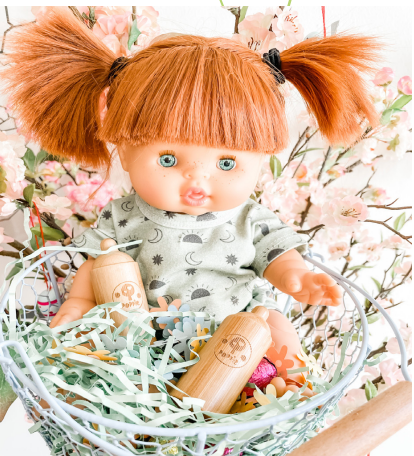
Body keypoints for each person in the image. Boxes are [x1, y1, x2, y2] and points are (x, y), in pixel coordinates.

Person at [2, 8, 380, 380]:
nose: (198, 179)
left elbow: (277, 255)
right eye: (168, 160)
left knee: (276, 326)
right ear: (126, 152)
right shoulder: (123, 217)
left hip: (238, 340)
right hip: (146, 345)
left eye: (227, 163)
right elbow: (97, 265)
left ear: (262, 161)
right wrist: (80, 302)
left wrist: (297, 278)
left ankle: (295, 390)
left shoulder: (249, 219)